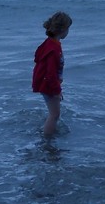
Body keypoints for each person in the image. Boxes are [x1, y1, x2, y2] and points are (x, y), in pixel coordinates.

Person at [32, 11, 72, 139]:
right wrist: (56, 90)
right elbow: (50, 73)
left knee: (53, 113)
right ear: (63, 29)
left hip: (48, 83)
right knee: (54, 115)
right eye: (68, 28)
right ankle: (47, 140)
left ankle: (48, 134)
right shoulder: (53, 49)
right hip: (48, 85)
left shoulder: (50, 43)